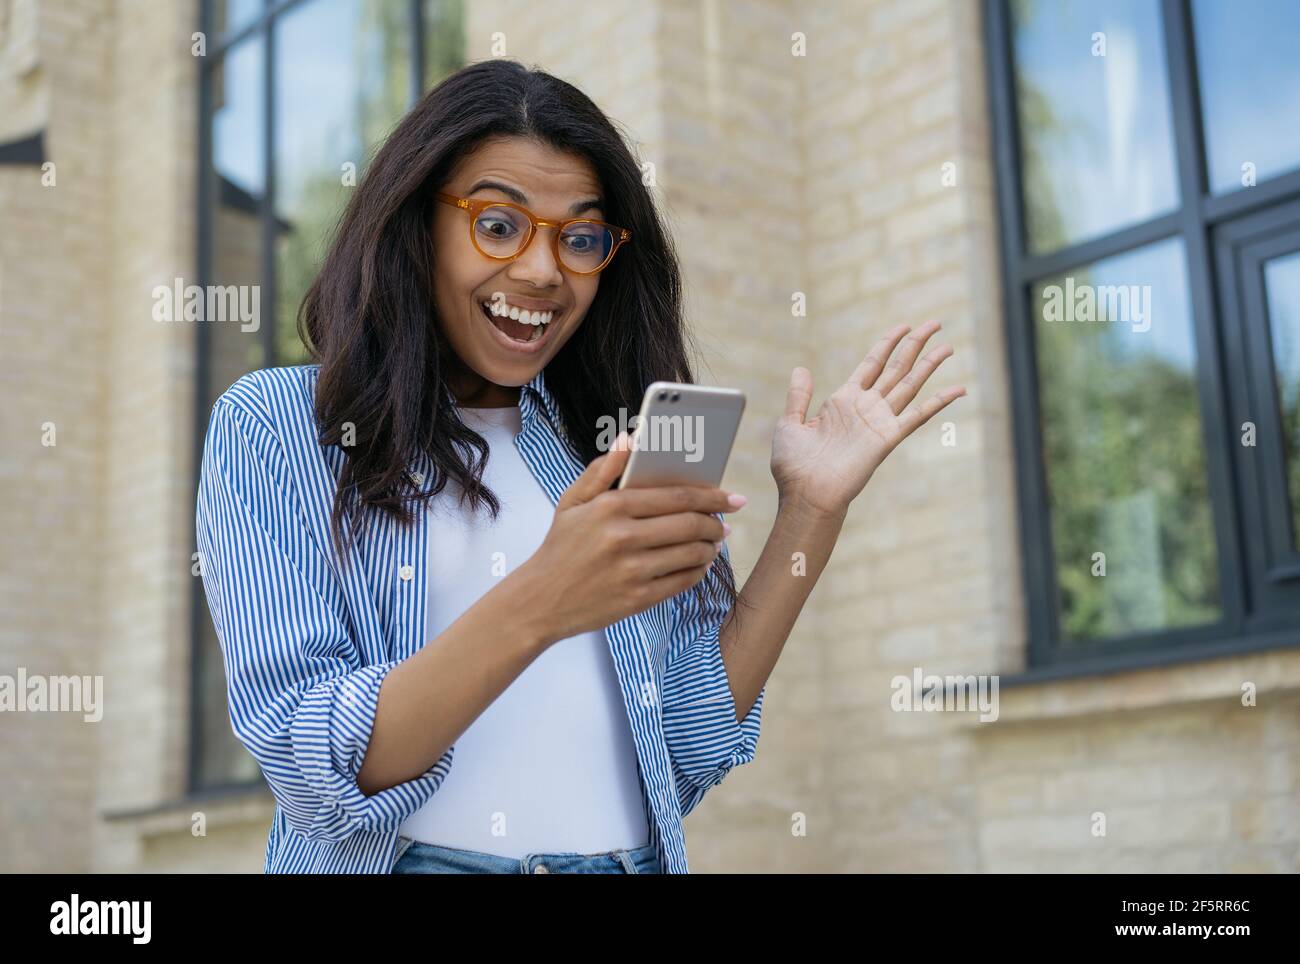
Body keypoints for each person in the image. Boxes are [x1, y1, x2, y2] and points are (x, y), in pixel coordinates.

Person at [194, 58, 965, 875]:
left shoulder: (606, 442)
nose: (542, 271)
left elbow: (685, 749)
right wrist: (546, 596)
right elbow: (309, 761)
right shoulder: (279, 425)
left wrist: (811, 512)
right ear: (417, 226)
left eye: (582, 238)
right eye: (498, 224)